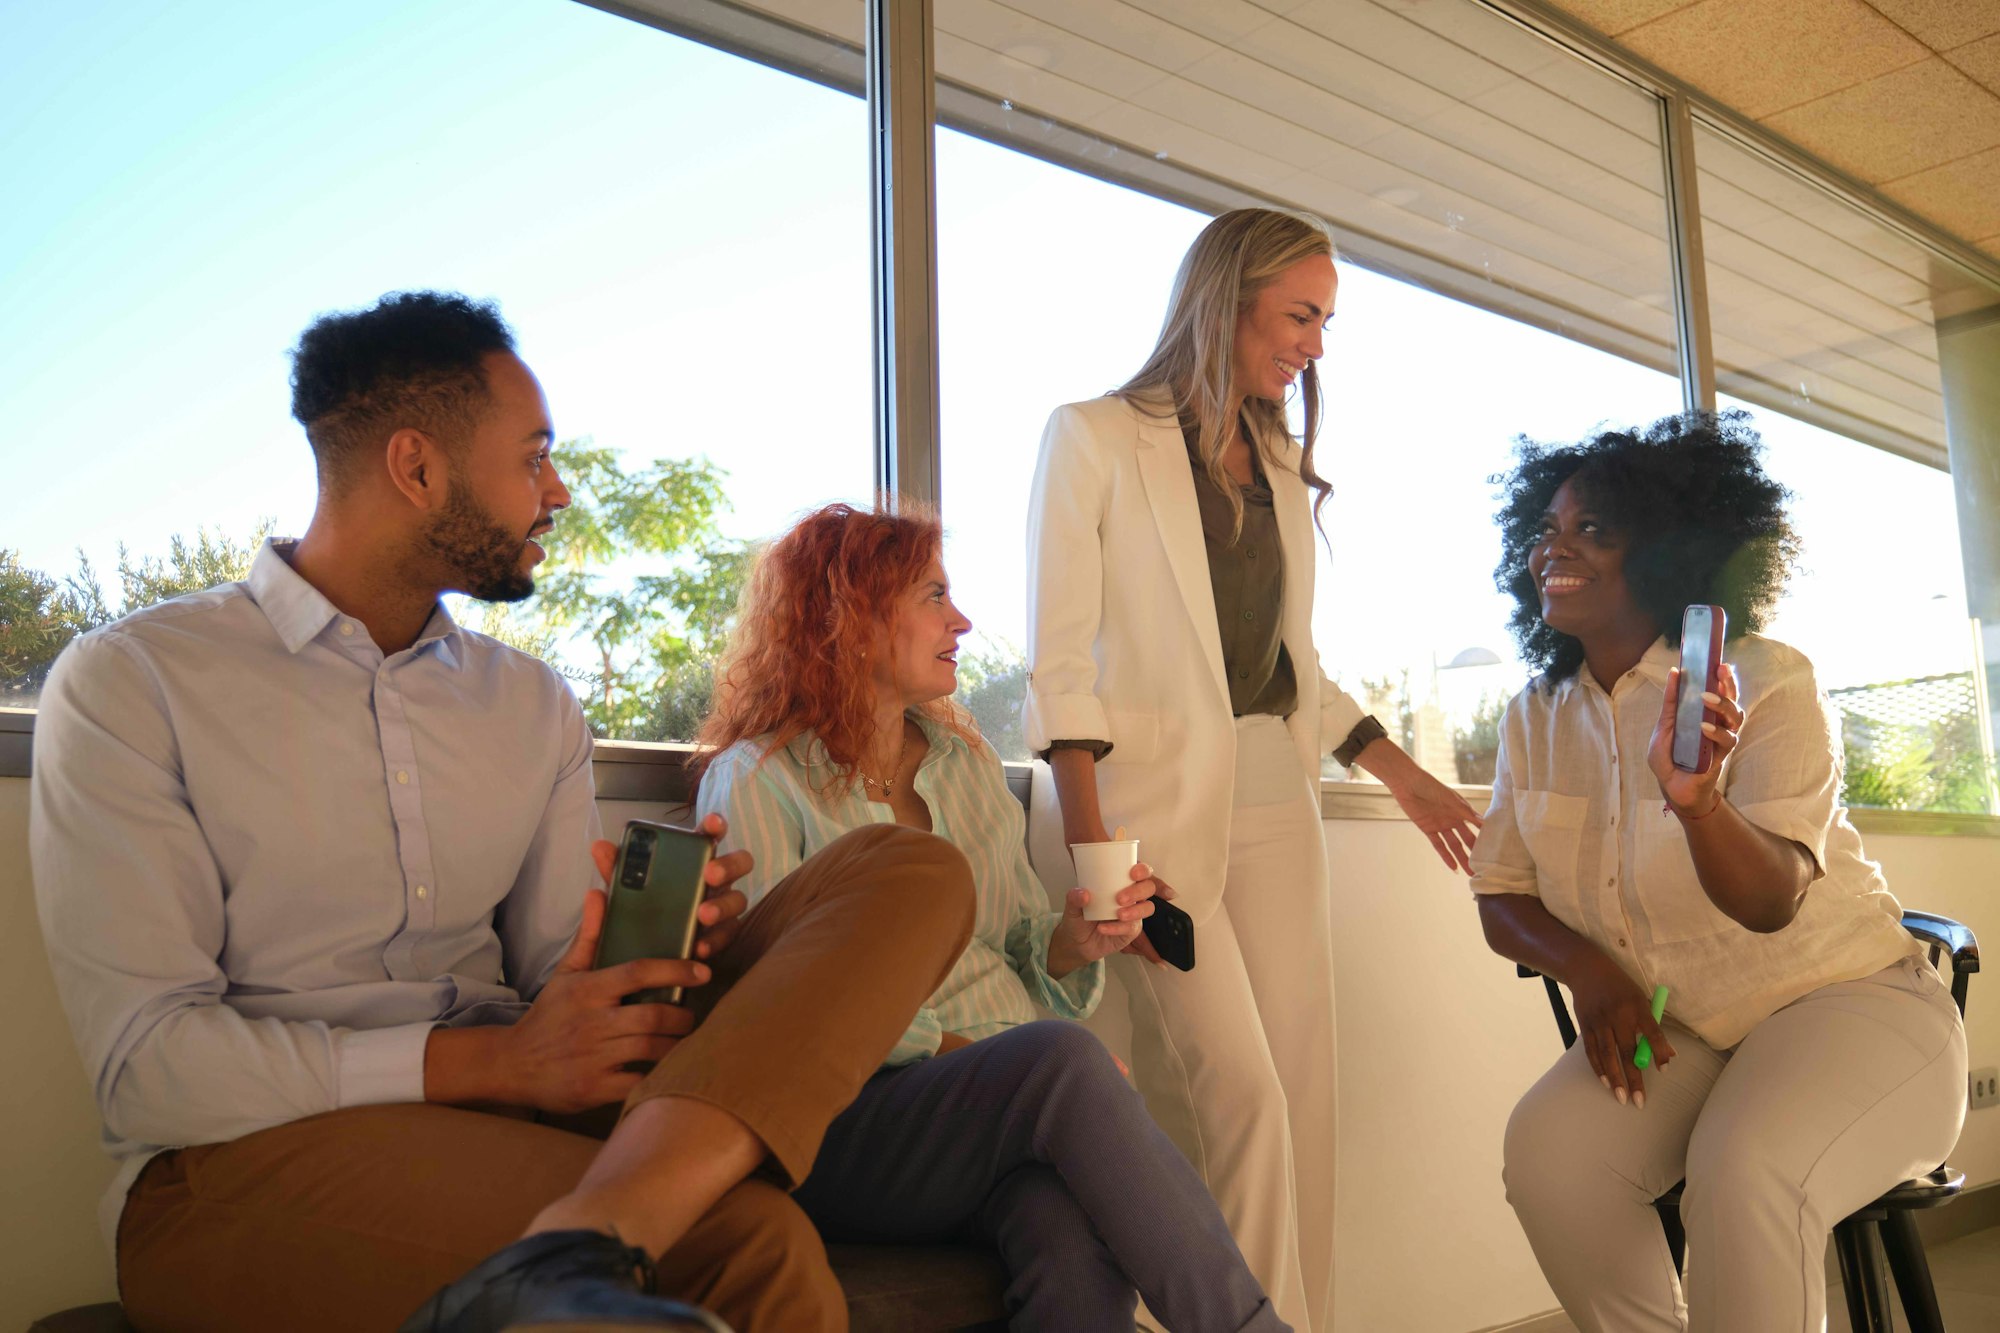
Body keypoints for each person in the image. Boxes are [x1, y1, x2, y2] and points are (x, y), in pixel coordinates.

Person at [30, 291, 982, 1333]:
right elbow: (145, 1069)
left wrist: (644, 956)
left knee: (904, 871)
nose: (560, 490)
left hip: (526, 1108)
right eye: (533, 457)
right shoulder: (136, 682)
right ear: (416, 468)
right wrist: (489, 1062)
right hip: (243, 1160)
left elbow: (546, 981)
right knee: (744, 1247)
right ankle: (590, 1239)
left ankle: (585, 1231)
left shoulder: (528, 702)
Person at [1023, 206, 1483, 1332]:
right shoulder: (1089, 435)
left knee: (1303, 1095)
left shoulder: (1275, 457)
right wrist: (1092, 857)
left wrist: (1403, 776)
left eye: (1324, 320)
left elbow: (1293, 667)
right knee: (1242, 1097)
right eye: (1298, 315)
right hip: (1137, 811)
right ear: (1222, 301)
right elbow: (1059, 665)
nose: (1315, 344)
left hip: (1273, 791)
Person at [692, 501, 1292, 1332]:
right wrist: (986, 1056)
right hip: (847, 1116)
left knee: (1065, 1230)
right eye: (933, 596)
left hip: (993, 1099)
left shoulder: (964, 765)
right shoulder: (758, 780)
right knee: (1064, 1062)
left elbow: (1014, 949)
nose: (961, 620)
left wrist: (1076, 942)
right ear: (852, 618)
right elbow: (774, 1006)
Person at [1471, 411, 1968, 1332]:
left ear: (1663, 551)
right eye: (1545, 530)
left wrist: (1699, 804)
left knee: (1746, 1172)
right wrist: (1590, 968)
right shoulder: (1534, 715)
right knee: (1550, 1156)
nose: (1554, 550)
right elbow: (1499, 893)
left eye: (1591, 530)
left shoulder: (1768, 678)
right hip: (1682, 1026)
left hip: (1850, 1002)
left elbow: (1772, 900)